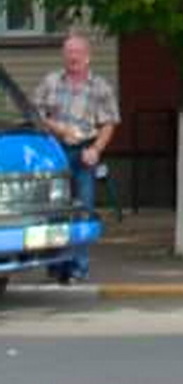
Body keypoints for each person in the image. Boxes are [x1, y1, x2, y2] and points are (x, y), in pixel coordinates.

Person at [33, 31, 120, 282]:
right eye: (69, 52)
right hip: (55, 151)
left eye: (78, 52)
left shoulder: (100, 86)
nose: (73, 57)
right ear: (63, 55)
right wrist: (59, 129)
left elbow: (109, 122)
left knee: (83, 208)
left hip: (84, 151)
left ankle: (78, 266)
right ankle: (56, 264)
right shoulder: (51, 81)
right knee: (54, 210)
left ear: (88, 56)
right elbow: (35, 113)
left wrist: (96, 149)